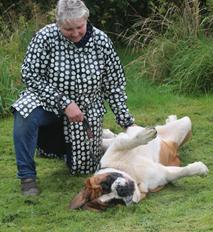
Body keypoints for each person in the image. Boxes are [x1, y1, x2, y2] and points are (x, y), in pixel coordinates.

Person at [12, 0, 135, 196]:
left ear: (86, 19)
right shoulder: (45, 37)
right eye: (68, 29)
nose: (76, 33)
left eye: (79, 27)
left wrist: (127, 122)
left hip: (86, 111)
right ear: (58, 24)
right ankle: (27, 175)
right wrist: (65, 103)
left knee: (82, 169)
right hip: (47, 103)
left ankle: (83, 147)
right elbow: (30, 75)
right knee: (24, 111)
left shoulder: (102, 42)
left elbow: (115, 85)